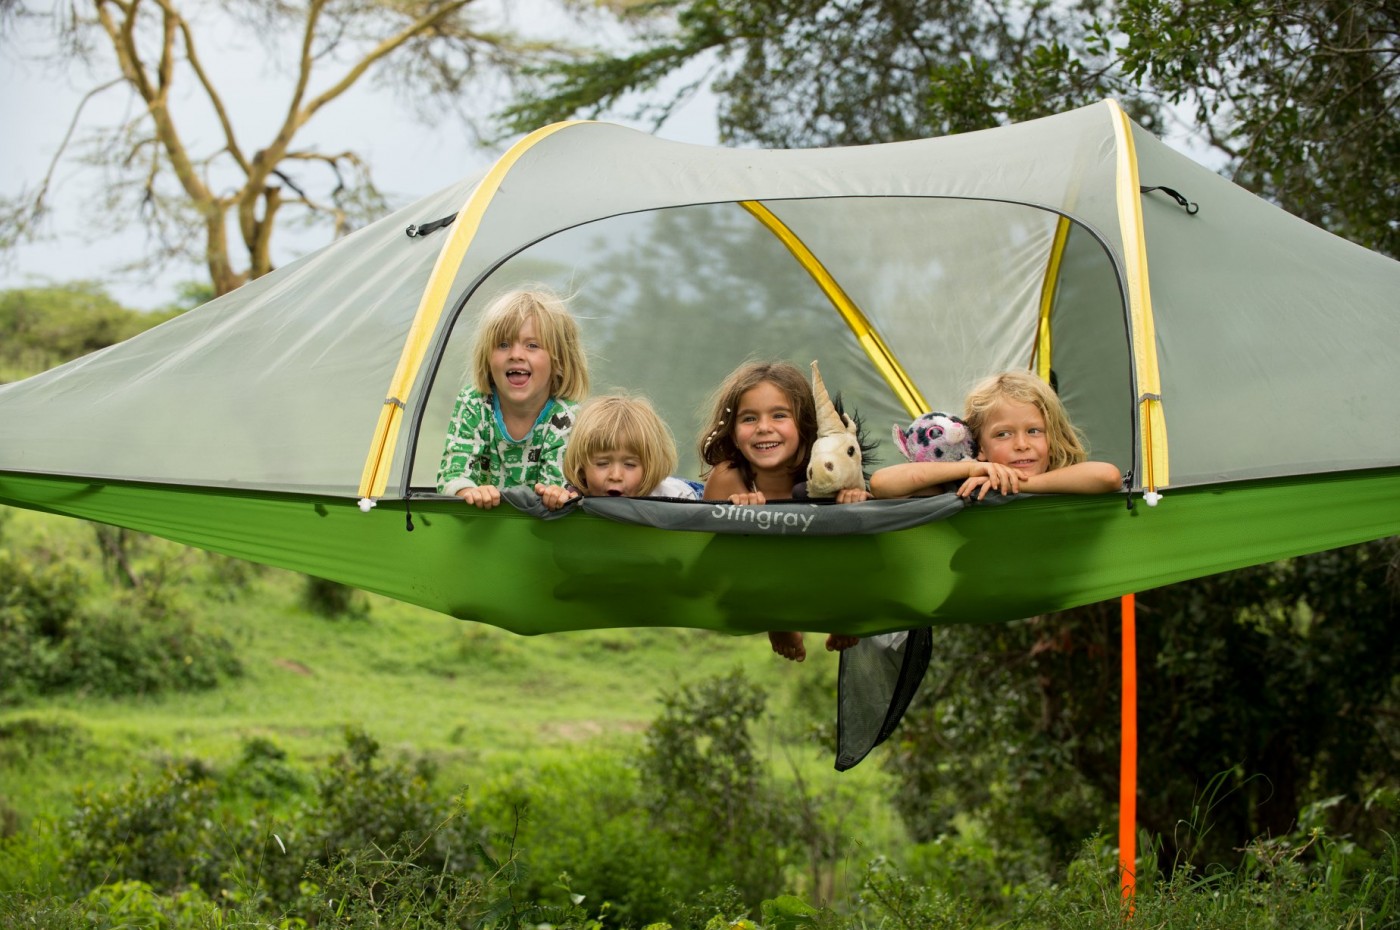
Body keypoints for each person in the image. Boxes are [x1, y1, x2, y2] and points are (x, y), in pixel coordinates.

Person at [699, 360, 870, 661]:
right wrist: (739, 519)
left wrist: (854, 500)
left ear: (804, 425)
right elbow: (709, 558)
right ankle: (776, 620)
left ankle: (844, 612)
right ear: (734, 431)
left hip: (823, 575)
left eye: (779, 415)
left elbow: (870, 537)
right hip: (761, 587)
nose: (764, 428)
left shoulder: (827, 473)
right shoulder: (729, 477)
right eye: (749, 418)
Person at [436, 287, 589, 509]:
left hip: (541, 532)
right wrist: (468, 491)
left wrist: (557, 494)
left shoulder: (566, 415)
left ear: (559, 361)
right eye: (503, 344)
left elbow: (559, 487)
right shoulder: (474, 403)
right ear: (487, 358)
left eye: (532, 345)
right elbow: (452, 473)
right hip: (481, 525)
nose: (516, 354)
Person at [870, 370, 1122, 500]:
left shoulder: (1061, 477)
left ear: (1051, 436)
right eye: (1003, 434)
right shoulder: (968, 485)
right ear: (980, 446)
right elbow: (882, 484)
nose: (1022, 445)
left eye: (1034, 431)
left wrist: (1018, 483)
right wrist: (971, 470)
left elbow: (1108, 477)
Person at [535, 394, 700, 509]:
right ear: (582, 468)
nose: (615, 475)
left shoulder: (677, 501)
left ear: (649, 468)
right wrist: (555, 500)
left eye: (629, 464)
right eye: (602, 463)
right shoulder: (574, 499)